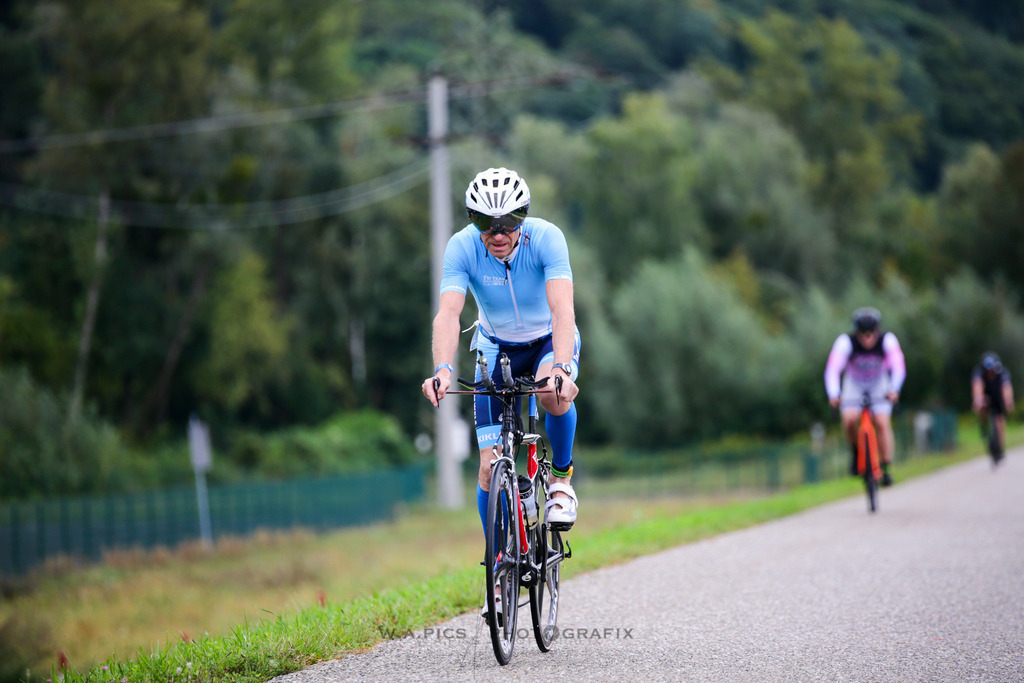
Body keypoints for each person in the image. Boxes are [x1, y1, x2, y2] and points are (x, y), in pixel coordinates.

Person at [421, 166, 581, 539]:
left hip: (546, 340)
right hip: (495, 346)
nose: (497, 234)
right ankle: (498, 571)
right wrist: (443, 369)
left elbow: (562, 310)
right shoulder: (462, 246)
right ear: (472, 220)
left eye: (508, 222)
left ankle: (560, 479)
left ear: (522, 216)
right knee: (489, 470)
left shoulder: (547, 238)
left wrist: (561, 367)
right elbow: (447, 314)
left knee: (550, 393)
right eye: (484, 222)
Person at [824, 307, 906, 486]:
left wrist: (894, 389)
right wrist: (834, 394)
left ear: (878, 330)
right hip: (854, 382)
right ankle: (856, 452)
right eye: (863, 333)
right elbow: (832, 370)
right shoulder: (845, 342)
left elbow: (898, 366)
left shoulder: (888, 340)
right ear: (857, 332)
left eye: (871, 333)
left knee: (883, 422)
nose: (868, 338)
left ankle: (886, 466)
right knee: (849, 419)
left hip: (879, 382)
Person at [971, 351, 1014, 460]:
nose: (990, 372)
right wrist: (978, 399)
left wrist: (1008, 402)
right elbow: (977, 386)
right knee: (981, 407)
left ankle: (1000, 446)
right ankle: (984, 427)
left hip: (998, 396)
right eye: (988, 370)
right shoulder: (979, 372)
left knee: (1000, 419)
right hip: (986, 396)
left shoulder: (1002, 372)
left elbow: (1006, 388)